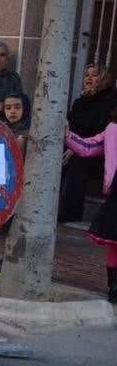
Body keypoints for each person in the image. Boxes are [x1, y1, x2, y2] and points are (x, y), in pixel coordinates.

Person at [64, 107, 117, 302]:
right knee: (115, 244)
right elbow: (88, 148)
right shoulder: (113, 129)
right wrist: (67, 135)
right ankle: (114, 287)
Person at [60, 65, 117, 223]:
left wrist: (75, 147)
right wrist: (72, 145)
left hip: (101, 154)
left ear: (104, 79)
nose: (89, 78)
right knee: (56, 156)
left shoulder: (112, 101)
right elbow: (70, 126)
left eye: (94, 75)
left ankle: (71, 213)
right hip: (79, 146)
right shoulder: (80, 102)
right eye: (86, 75)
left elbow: (103, 133)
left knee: (79, 161)